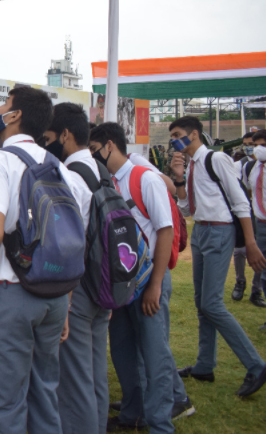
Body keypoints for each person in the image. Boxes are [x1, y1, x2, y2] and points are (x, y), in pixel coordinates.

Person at [0, 86, 90, 434]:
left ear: (15, 115)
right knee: (43, 396)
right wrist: (64, 302)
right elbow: (70, 242)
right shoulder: (64, 170)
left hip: (11, 294)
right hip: (54, 297)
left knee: (3, 401)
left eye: (4, 104)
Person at [89, 123, 192, 433]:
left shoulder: (143, 178)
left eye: (95, 151)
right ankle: (134, 413)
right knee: (122, 351)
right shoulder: (104, 181)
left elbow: (165, 231)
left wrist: (156, 285)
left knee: (154, 354)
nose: (93, 157)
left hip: (148, 282)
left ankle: (161, 424)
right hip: (120, 286)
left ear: (109, 145)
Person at [169, 116, 266, 397]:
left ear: (194, 134)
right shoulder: (192, 167)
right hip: (201, 232)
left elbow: (240, 200)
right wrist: (178, 177)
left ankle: (256, 365)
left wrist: (250, 242)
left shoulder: (216, 160)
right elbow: (187, 209)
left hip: (219, 231)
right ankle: (204, 365)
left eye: (177, 134)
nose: (174, 140)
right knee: (202, 302)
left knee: (212, 304)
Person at [42, 103, 111, 434]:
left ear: (65, 135)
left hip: (79, 287)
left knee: (75, 378)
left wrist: (65, 302)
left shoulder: (70, 176)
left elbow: (69, 244)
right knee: (95, 370)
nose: (46, 143)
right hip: (104, 281)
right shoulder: (99, 168)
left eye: (49, 137)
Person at [233, 132, 266, 306]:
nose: (250, 148)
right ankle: (240, 281)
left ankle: (257, 289)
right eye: (246, 144)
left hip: (262, 214)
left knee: (261, 253)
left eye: (252, 144)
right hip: (247, 211)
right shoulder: (241, 165)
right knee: (240, 250)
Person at [246, 130, 266, 329]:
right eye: (255, 146)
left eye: (262, 145)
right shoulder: (253, 167)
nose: (258, 150)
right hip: (262, 225)